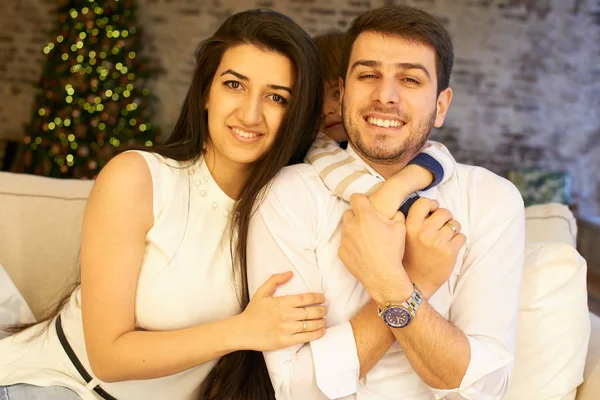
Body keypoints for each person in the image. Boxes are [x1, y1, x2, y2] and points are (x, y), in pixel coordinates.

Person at [0, 9, 327, 400]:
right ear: (206, 92)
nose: (250, 114)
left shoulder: (288, 211)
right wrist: (243, 330)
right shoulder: (138, 178)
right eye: (234, 85)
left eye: (276, 97)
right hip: (50, 386)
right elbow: (109, 357)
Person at [246, 5, 525, 400]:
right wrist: (417, 279)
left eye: (410, 79)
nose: (385, 96)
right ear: (342, 92)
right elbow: (296, 388)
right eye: (368, 75)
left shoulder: (490, 199)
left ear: (441, 105)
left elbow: (483, 385)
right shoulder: (286, 196)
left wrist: (390, 283)